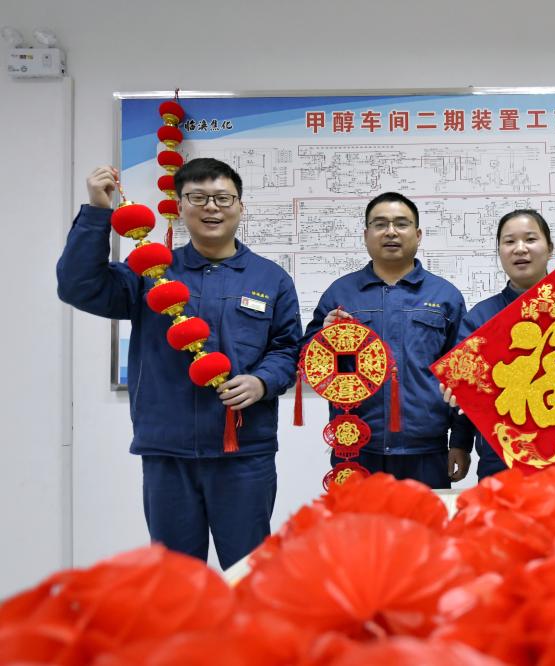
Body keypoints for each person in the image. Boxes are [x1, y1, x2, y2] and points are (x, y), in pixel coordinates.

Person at [56, 158, 302, 569]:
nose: (211, 207)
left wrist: (261, 382)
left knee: (250, 574)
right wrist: (98, 211)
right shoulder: (150, 272)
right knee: (176, 577)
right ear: (180, 205)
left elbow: (287, 349)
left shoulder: (270, 278)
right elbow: (78, 287)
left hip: (243, 452)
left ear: (240, 206)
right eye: (198, 197)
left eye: (223, 198)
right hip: (168, 451)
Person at [303, 192, 468, 488]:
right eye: (380, 224)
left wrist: (459, 442)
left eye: (401, 224)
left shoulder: (445, 296)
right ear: (366, 235)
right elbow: (306, 361)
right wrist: (321, 341)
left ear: (418, 235)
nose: (391, 232)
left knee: (427, 520)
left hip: (426, 449)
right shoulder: (340, 294)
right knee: (360, 520)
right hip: (356, 448)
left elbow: (462, 377)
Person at [445, 209, 555, 481]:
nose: (520, 249)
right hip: (501, 464)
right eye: (509, 241)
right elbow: (465, 392)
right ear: (499, 251)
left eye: (530, 239)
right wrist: (459, 440)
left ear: (549, 248)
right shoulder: (480, 318)